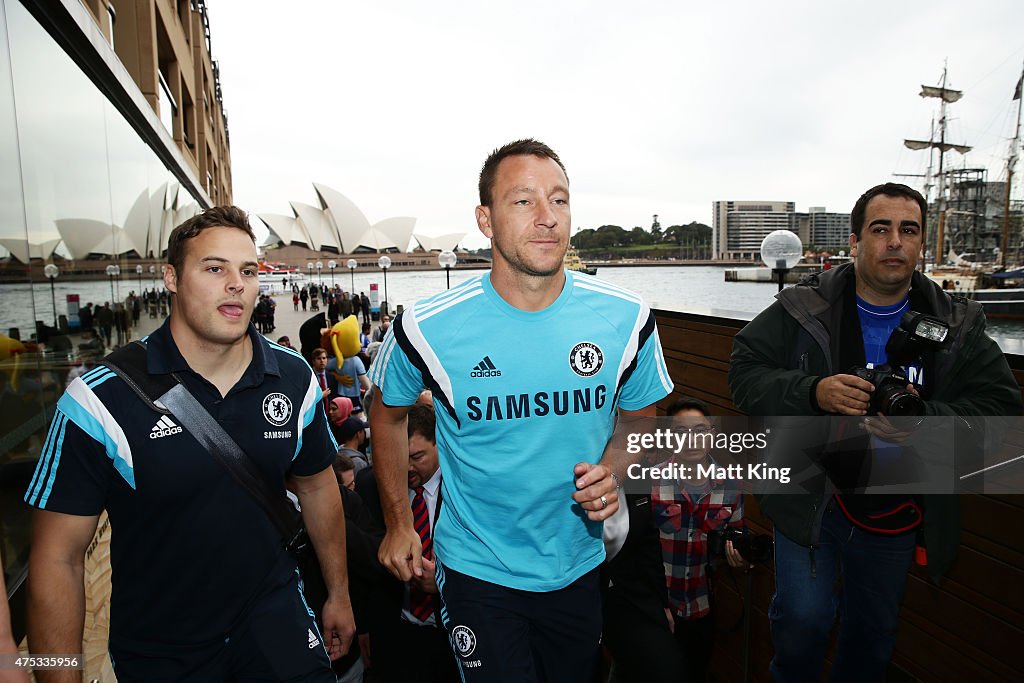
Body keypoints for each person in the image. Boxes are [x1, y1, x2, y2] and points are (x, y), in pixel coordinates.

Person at [368, 139, 673, 682]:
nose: (547, 218)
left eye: (559, 200)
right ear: (485, 219)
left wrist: (614, 469)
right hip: (477, 570)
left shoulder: (626, 320)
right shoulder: (424, 328)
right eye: (523, 201)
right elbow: (387, 413)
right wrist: (397, 523)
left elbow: (641, 416)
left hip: (579, 563)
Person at [24, 206, 356, 681]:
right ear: (172, 278)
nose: (236, 284)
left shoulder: (292, 376)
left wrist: (339, 594)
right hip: (163, 649)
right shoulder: (99, 400)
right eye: (214, 268)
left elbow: (318, 487)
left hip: (277, 625)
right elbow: (57, 558)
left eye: (247, 270)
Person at [728, 182, 1021, 683]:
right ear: (856, 239)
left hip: (895, 508)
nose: (894, 242)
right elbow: (744, 373)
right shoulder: (803, 307)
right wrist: (813, 392)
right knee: (802, 623)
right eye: (880, 228)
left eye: (908, 230)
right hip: (809, 496)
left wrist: (925, 423)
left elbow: (1001, 413)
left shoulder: (957, 323)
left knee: (872, 636)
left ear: (922, 243)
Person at [356, 405, 458, 683]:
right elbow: (361, 563)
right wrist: (363, 624)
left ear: (440, 442)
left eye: (417, 456)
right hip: (395, 633)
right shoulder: (371, 487)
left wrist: (444, 583)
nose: (407, 467)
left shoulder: (465, 488)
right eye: (400, 457)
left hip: (453, 636)